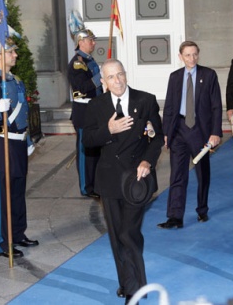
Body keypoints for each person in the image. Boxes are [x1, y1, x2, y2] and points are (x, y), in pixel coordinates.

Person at [82, 59, 164, 303]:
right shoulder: (96, 106)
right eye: (111, 77)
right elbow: (87, 141)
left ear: (125, 75)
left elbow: (157, 137)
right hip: (109, 180)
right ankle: (127, 281)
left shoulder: (146, 100)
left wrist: (147, 162)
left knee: (129, 233)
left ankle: (134, 290)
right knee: (117, 234)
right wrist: (109, 131)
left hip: (137, 180)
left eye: (120, 75)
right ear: (104, 83)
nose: (117, 81)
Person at [0, 37, 39, 259]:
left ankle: (18, 233)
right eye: (11, 52)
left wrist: (28, 141)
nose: (16, 55)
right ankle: (1, 242)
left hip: (18, 143)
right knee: (3, 197)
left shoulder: (16, 81)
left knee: (18, 193)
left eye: (14, 52)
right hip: (1, 145)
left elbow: (23, 114)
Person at [159, 41, 223, 229]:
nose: (192, 58)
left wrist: (215, 132)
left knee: (203, 173)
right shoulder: (175, 77)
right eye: (187, 55)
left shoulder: (209, 75)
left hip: (200, 131)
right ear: (180, 57)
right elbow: (169, 106)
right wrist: (166, 132)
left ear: (198, 54)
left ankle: (202, 209)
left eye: (195, 54)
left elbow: (216, 106)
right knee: (177, 174)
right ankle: (175, 217)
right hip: (178, 128)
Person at [67, 28, 102, 198]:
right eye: (90, 40)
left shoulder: (90, 61)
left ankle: (95, 183)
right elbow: (82, 87)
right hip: (84, 113)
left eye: (93, 40)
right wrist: (100, 78)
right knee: (84, 152)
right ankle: (86, 187)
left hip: (95, 111)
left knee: (95, 150)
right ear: (81, 42)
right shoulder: (77, 63)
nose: (93, 43)